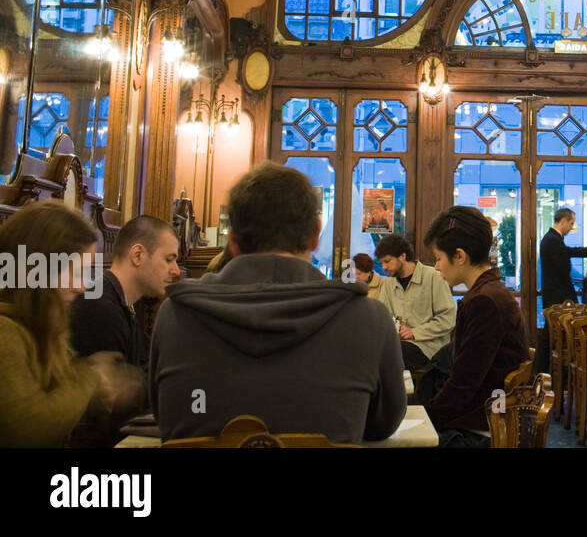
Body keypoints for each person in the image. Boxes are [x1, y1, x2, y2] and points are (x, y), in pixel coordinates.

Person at [150, 162, 405, 443]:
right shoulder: (369, 319)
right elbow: (382, 425)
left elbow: (165, 416)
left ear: (232, 242)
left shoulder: (174, 316)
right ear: (315, 235)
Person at [0, 201, 138, 447]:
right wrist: (91, 378)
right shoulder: (5, 331)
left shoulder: (42, 327)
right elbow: (27, 429)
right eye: (75, 273)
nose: (82, 287)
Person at [420, 206, 528, 448]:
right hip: (483, 416)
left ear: (459, 256)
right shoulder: (489, 291)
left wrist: (424, 419)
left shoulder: (484, 301)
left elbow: (464, 385)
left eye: (438, 258)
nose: (436, 267)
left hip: (483, 429)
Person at [70, 214, 181, 367]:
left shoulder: (122, 302)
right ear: (137, 255)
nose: (176, 271)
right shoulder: (100, 310)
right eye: (169, 259)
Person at [538, 208, 587, 367]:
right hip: (558, 299)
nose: (572, 227)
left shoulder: (552, 239)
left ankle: (547, 372)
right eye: (571, 223)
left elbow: (570, 252)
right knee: (553, 339)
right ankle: (547, 373)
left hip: (556, 298)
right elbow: (561, 273)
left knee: (551, 338)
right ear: (563, 221)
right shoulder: (552, 240)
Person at [374, 233, 456, 373]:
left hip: (429, 347)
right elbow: (383, 318)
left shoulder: (433, 277)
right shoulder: (388, 284)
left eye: (387, 261)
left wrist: (414, 332)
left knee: (387, 355)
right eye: (382, 262)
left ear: (403, 256)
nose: (384, 267)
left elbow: (448, 319)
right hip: (398, 344)